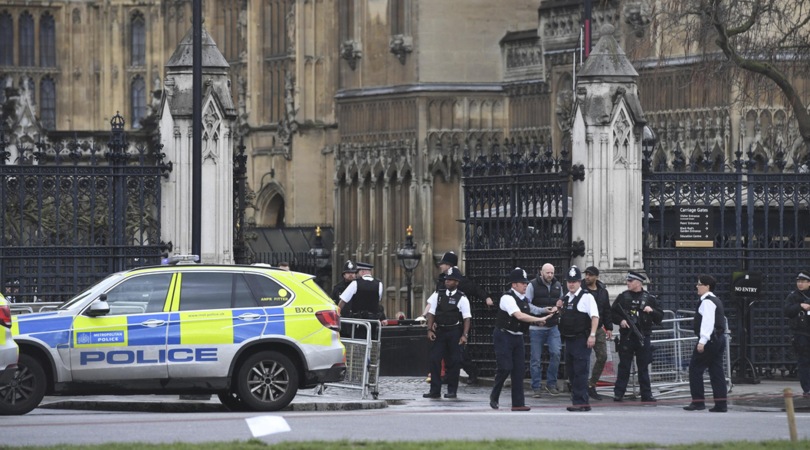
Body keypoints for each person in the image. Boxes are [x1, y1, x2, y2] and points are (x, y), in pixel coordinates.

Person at [489, 267, 553, 411]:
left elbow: (530, 311)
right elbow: (519, 315)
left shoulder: (524, 299)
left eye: (525, 283)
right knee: (505, 367)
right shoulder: (507, 298)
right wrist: (537, 320)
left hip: (517, 337)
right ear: (514, 284)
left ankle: (518, 403)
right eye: (522, 283)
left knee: (518, 370)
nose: (525, 285)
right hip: (504, 335)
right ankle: (494, 395)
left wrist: (541, 316)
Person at [433, 251, 492, 384]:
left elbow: (475, 288)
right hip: (444, 320)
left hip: (457, 322)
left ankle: (472, 371)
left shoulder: (459, 280)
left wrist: (486, 297)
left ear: (449, 265)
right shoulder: (442, 280)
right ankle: (449, 374)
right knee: (447, 351)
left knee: (458, 351)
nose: (441, 267)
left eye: (443, 264)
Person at [611, 270, 663, 403]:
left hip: (643, 336)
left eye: (630, 281)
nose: (627, 283)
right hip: (627, 337)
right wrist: (621, 321)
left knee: (643, 367)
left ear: (638, 283)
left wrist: (651, 311)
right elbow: (612, 313)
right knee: (624, 367)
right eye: (627, 281)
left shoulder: (649, 298)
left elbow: (659, 317)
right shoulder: (623, 297)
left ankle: (646, 394)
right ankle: (619, 393)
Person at [423, 267, 471, 399]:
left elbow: (467, 318)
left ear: (456, 282)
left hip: (454, 331)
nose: (447, 282)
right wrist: (430, 329)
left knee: (454, 361)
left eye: (450, 280)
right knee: (434, 359)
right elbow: (431, 313)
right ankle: (435, 390)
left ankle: (452, 390)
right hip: (440, 331)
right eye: (446, 280)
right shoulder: (438, 294)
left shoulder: (462, 298)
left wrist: (464, 335)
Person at [684, 274, 729, 412]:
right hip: (718, 338)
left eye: (699, 284)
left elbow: (707, 323)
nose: (697, 286)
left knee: (695, 369)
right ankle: (721, 404)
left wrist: (702, 341)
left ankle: (698, 402)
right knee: (716, 371)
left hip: (710, 339)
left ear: (707, 286)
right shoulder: (715, 300)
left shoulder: (707, 301)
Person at [558, 266, 600, 412]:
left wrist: (592, 335)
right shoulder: (566, 298)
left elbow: (595, 317)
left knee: (580, 372)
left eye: (574, 281)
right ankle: (580, 401)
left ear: (579, 282)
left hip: (581, 340)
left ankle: (580, 402)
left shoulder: (587, 297)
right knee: (571, 372)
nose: (571, 284)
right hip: (569, 340)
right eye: (569, 281)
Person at [526, 263, 563, 396]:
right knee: (536, 358)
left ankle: (551, 383)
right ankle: (536, 386)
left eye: (552, 273)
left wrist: (558, 308)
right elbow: (527, 304)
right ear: (541, 272)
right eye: (547, 272)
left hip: (552, 326)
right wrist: (542, 310)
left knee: (556, 353)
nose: (550, 275)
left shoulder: (558, 285)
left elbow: (561, 302)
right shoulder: (532, 285)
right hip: (536, 327)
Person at [584, 266, 612, 400]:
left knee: (602, 356)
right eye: (586, 274)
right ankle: (579, 385)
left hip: (599, 328)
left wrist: (609, 327)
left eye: (590, 275)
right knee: (582, 358)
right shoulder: (581, 290)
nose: (587, 277)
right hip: (583, 328)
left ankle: (591, 384)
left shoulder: (603, 292)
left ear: (596, 277)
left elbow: (606, 310)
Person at [338, 262, 384, 338]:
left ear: (362, 272)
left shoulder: (355, 283)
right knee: (371, 341)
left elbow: (343, 300)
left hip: (358, 321)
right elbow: (378, 300)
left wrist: (337, 312)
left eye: (357, 272)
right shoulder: (379, 284)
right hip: (373, 321)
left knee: (358, 342)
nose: (356, 274)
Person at [784, 270, 810, 397]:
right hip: (801, 334)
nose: (800, 284)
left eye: (803, 282)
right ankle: (807, 388)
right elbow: (787, 311)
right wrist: (800, 306)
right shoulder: (793, 296)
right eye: (799, 281)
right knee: (804, 361)